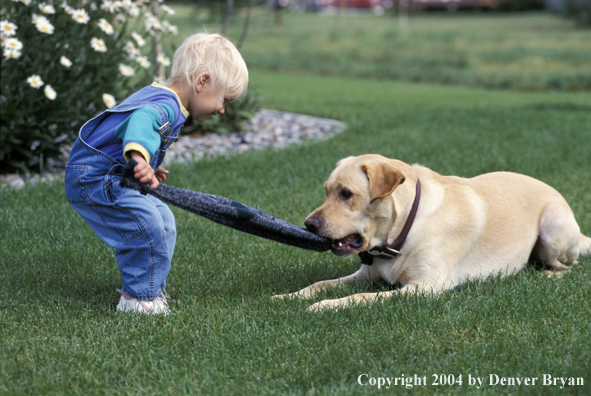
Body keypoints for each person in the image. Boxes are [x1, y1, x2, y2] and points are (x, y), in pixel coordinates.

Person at [64, 33, 249, 314]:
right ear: (203, 81)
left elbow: (132, 131)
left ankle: (151, 289)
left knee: (163, 219)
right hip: (94, 177)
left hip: (108, 173)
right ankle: (137, 301)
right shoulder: (167, 106)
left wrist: (149, 161)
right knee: (147, 224)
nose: (222, 110)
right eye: (224, 100)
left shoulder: (168, 100)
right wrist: (139, 158)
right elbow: (140, 122)